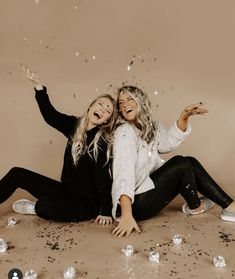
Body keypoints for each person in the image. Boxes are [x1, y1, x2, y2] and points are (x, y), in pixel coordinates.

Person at [0, 64, 118, 225]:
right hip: (66, 191)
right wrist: (39, 88)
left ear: (107, 120)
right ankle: (48, 204)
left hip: (87, 203)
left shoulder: (101, 141)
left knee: (44, 207)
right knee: (17, 173)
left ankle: (36, 207)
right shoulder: (74, 125)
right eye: (100, 104)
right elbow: (51, 116)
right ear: (91, 106)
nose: (102, 109)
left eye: (108, 110)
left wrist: (105, 210)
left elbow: (103, 178)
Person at [111, 85, 235, 237]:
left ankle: (200, 206)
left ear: (140, 101)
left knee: (189, 161)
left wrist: (184, 117)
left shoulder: (150, 126)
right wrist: (126, 215)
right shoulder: (124, 131)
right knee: (180, 163)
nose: (124, 105)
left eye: (130, 99)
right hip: (135, 204)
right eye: (120, 103)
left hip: (145, 192)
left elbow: (167, 143)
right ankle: (226, 207)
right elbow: (123, 174)